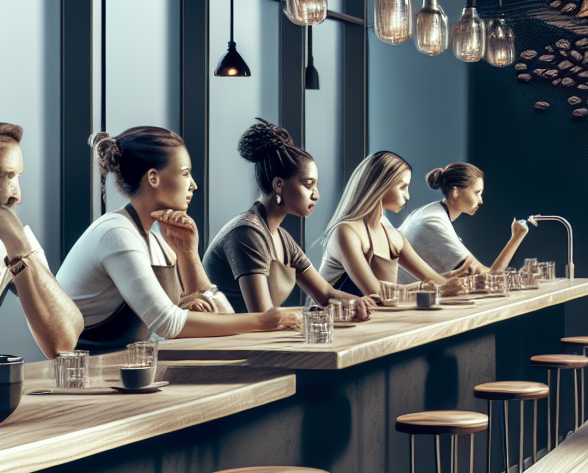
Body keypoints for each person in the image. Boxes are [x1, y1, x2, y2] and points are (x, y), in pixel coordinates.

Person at [57, 128, 300, 351]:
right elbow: (168, 324)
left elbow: (221, 315)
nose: (193, 184)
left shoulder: (156, 241)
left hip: (127, 370)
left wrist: (189, 255)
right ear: (153, 178)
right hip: (85, 377)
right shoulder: (117, 234)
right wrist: (267, 320)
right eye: (185, 173)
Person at [202, 119, 373, 320]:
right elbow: (263, 315)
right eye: (308, 184)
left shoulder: (281, 237)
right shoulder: (247, 233)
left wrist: (359, 302)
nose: (316, 194)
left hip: (256, 340)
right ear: (279, 185)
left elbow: (325, 294)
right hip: (230, 345)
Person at [317, 151, 460, 299]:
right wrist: (428, 287)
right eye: (402, 187)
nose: (407, 195)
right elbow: (377, 293)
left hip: (372, 319)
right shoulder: (346, 231)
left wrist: (456, 284)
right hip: (331, 320)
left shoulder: (392, 234)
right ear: (381, 185)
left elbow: (434, 280)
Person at [0, 123, 84, 356]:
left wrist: (21, 250)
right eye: (4, 175)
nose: (16, 197)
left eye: (16, 176)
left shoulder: (12, 239)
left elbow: (64, 341)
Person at [396, 162, 529, 283]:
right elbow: (490, 277)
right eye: (477, 193)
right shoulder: (433, 221)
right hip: (402, 303)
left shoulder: (429, 212)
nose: (481, 201)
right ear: (456, 192)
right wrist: (516, 237)